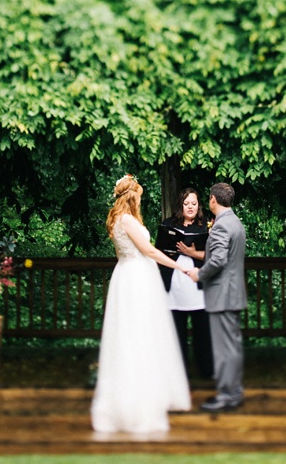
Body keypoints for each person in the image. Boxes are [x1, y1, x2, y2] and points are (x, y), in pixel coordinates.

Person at [91, 174, 192, 434]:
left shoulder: (115, 220)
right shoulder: (127, 220)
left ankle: (131, 396)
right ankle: (138, 403)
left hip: (125, 275)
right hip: (137, 278)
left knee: (128, 336)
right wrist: (179, 266)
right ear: (132, 197)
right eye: (139, 197)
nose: (140, 201)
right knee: (139, 335)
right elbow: (149, 250)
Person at [188, 182, 247, 412]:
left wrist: (199, 274)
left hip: (222, 294)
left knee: (224, 348)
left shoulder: (222, 226)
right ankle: (234, 392)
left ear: (213, 199)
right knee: (232, 346)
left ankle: (227, 395)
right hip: (231, 293)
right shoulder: (234, 222)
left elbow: (218, 260)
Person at [157, 188, 214, 379]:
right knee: (176, 331)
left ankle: (206, 371)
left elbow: (215, 255)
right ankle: (178, 373)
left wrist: (190, 252)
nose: (190, 207)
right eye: (186, 203)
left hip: (197, 284)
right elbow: (158, 252)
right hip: (174, 283)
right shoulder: (168, 224)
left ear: (199, 206)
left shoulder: (206, 226)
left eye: (194, 203)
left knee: (202, 331)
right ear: (181, 205)